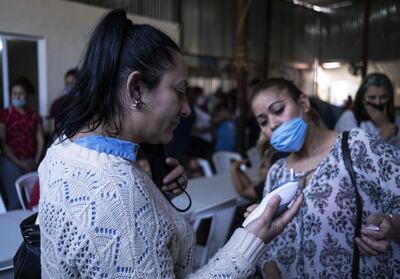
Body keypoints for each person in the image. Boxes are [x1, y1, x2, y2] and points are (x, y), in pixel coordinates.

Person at [38, 10, 303, 278]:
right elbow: (118, 216)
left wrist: (155, 198)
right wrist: (250, 239)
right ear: (137, 89)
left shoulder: (62, 148)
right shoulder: (117, 194)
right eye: (179, 91)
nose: (187, 108)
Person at [249, 78, 400, 278]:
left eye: (278, 110)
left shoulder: (358, 146)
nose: (273, 124)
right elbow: (272, 247)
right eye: (263, 122)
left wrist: (393, 224)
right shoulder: (277, 173)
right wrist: (269, 265)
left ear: (304, 103)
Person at [335, 73, 400, 164]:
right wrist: (382, 137)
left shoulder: (397, 120)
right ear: (362, 99)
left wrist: (388, 126)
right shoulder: (350, 118)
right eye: (372, 97)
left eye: (384, 97)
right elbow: (351, 156)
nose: (378, 102)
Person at [0, 76, 44, 210]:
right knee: (15, 199)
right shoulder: (4, 114)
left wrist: (36, 160)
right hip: (10, 160)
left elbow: (40, 138)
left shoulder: (34, 115)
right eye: (15, 94)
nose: (18, 96)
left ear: (27, 95)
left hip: (31, 159)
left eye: (21, 93)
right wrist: (19, 163)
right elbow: (2, 141)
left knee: (35, 196)